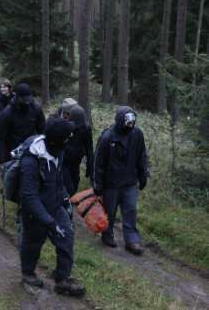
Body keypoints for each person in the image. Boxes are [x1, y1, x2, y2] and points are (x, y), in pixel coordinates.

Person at [19, 118, 85, 296]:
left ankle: (62, 279)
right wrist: (49, 222)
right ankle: (28, 273)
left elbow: (57, 179)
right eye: (67, 139)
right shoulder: (31, 161)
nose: (69, 143)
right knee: (33, 243)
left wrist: (65, 198)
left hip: (55, 206)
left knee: (67, 237)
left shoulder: (59, 151)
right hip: (35, 213)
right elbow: (29, 196)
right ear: (57, 140)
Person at [94, 106, 149, 255]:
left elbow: (142, 156)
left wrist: (143, 175)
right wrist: (97, 184)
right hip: (111, 184)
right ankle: (107, 233)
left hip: (130, 182)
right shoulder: (107, 137)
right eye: (128, 123)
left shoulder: (137, 134)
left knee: (130, 210)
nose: (130, 126)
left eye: (133, 123)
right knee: (109, 212)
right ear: (120, 121)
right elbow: (98, 163)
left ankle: (132, 240)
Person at [0, 83, 46, 164]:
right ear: (18, 97)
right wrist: (2, 160)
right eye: (24, 99)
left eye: (28, 99)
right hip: (13, 150)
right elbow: (0, 138)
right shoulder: (7, 113)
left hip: (32, 149)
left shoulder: (36, 109)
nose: (27, 102)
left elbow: (42, 130)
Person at [62, 105, 94, 196]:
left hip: (76, 161)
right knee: (69, 187)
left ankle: (70, 202)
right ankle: (66, 202)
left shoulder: (86, 129)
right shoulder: (65, 126)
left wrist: (90, 166)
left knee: (75, 182)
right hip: (64, 161)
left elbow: (89, 148)